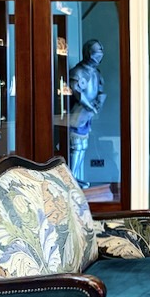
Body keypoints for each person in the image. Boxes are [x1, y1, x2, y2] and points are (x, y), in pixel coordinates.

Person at [68, 39, 107, 187]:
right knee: (76, 145)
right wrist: (90, 106)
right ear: (88, 53)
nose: (99, 56)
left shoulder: (96, 73)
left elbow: (100, 91)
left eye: (101, 52)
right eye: (97, 52)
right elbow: (77, 91)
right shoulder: (78, 72)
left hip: (88, 115)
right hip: (78, 114)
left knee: (83, 146)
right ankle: (71, 178)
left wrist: (98, 102)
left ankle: (75, 177)